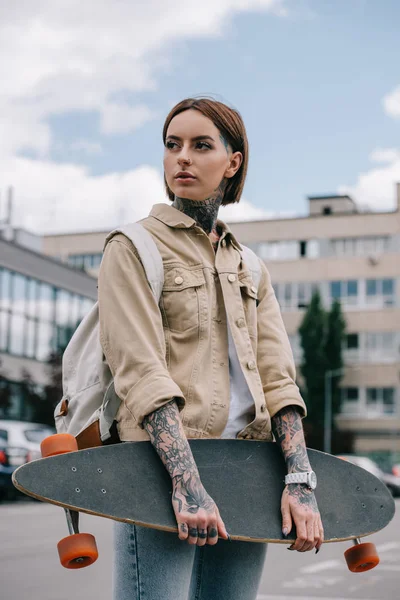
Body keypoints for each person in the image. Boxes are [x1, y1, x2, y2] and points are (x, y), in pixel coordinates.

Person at [98, 97, 324, 600]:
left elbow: (278, 382)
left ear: (232, 161)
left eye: (201, 145)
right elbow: (140, 372)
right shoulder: (132, 248)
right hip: (160, 469)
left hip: (248, 470)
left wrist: (299, 481)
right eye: (172, 144)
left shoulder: (251, 266)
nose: (182, 157)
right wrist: (187, 483)